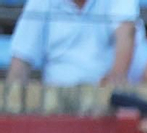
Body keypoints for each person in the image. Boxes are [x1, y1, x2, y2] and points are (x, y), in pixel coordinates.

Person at [6, 0, 138, 86]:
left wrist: (115, 78)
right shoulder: (40, 2)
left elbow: (126, 33)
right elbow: (21, 60)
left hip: (106, 102)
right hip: (55, 101)